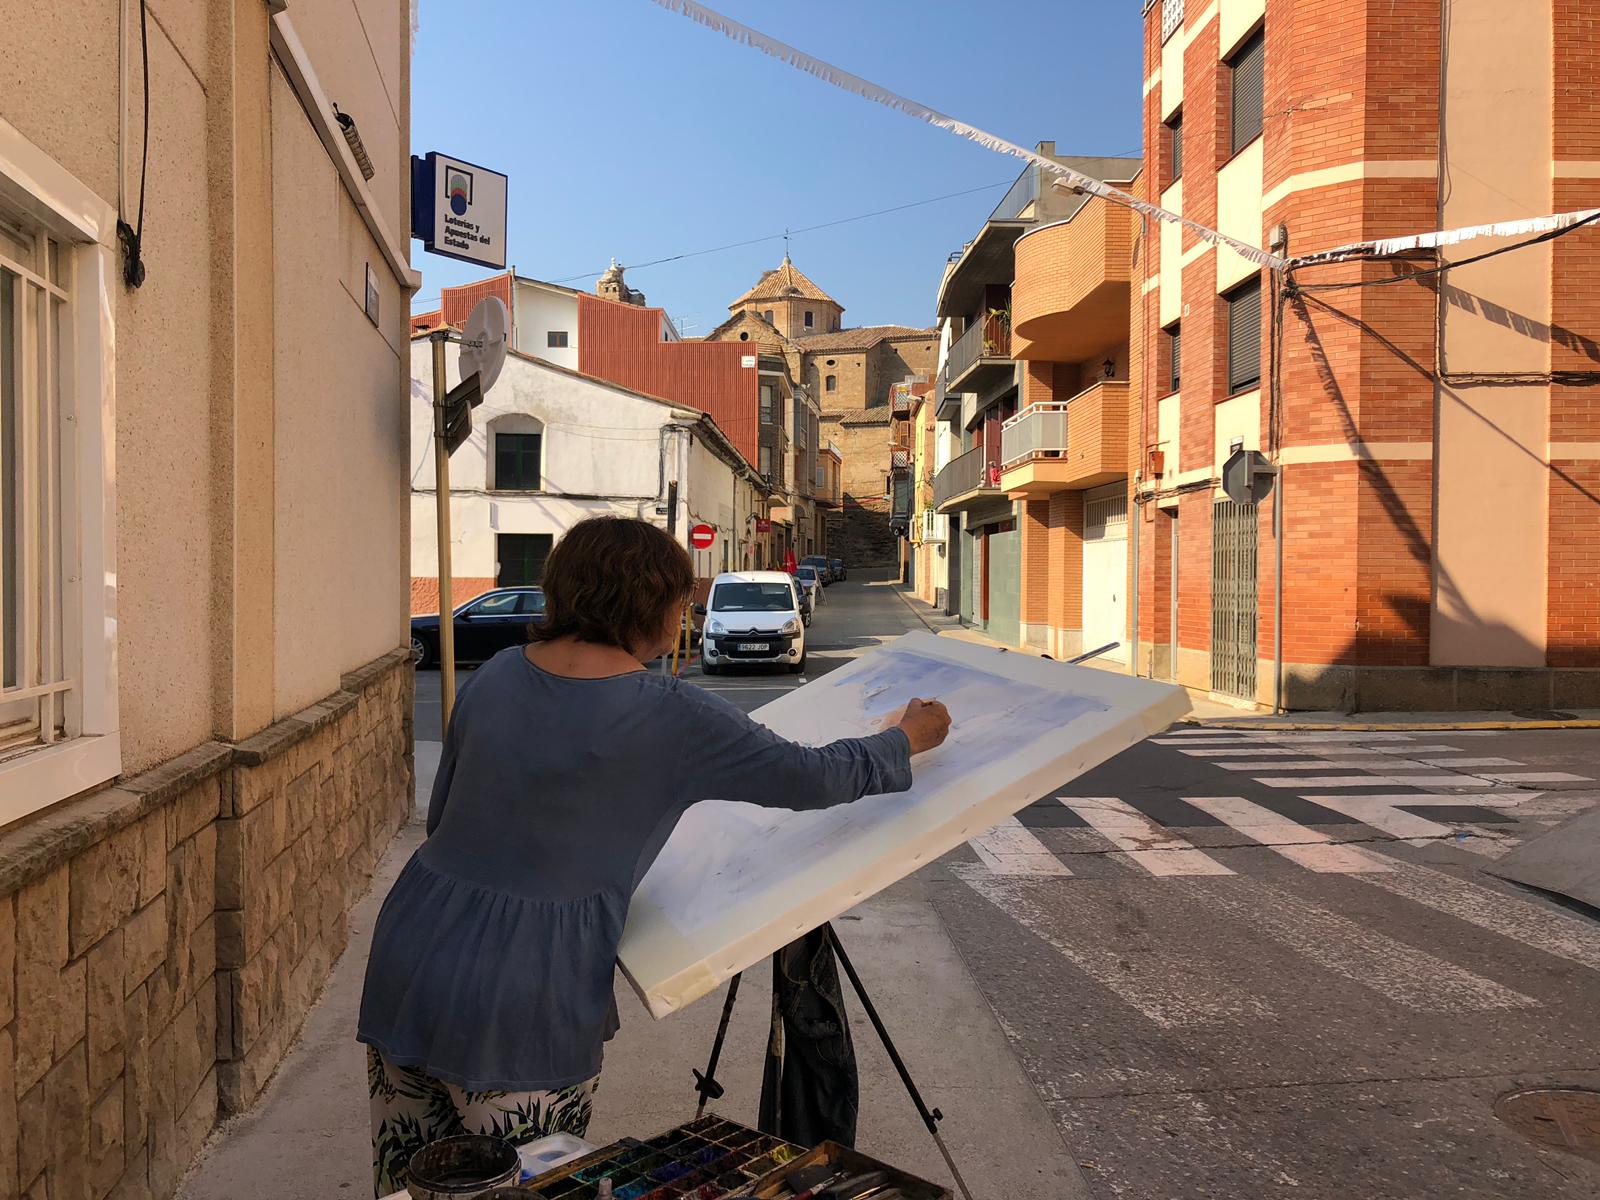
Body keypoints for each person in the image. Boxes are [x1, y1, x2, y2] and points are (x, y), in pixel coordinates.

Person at [357, 517, 951, 1195]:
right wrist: (905, 738)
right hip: (525, 991)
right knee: (532, 1183)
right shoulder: (670, 713)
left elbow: (443, 818)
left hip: (410, 949)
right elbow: (812, 777)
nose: (686, 613)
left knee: (414, 1183)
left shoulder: (495, 675)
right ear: (653, 605)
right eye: (681, 599)